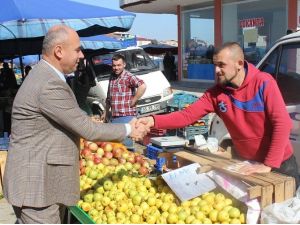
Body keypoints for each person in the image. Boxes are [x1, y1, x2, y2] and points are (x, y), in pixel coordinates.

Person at [3, 25, 148, 224]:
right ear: (59, 51)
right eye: (77, 49)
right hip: (37, 187)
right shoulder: (48, 83)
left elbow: (71, 120)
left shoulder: (46, 76)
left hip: (42, 184)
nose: (81, 55)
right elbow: (87, 129)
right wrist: (130, 129)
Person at [138, 42, 300, 188]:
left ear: (239, 64)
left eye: (221, 65)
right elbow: (187, 116)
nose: (216, 70)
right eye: (215, 65)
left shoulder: (263, 82)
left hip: (280, 164)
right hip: (247, 164)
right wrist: (152, 120)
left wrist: (268, 164)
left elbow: (282, 123)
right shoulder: (215, 94)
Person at [102, 53, 146, 151]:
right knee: (114, 148)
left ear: (124, 65)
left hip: (127, 117)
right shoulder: (112, 77)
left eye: (119, 65)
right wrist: (106, 112)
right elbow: (109, 96)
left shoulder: (129, 76)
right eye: (114, 65)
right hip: (114, 118)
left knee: (126, 149)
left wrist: (134, 99)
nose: (116, 68)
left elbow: (142, 86)